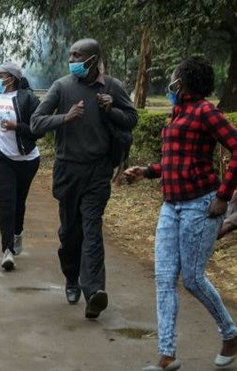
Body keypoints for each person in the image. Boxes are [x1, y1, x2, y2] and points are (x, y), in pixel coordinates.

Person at [124, 56, 237, 371]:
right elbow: (177, 161)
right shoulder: (178, 114)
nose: (171, 82)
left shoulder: (206, 112)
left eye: (174, 77)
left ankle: (230, 333)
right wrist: (147, 171)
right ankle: (167, 356)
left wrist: (223, 197)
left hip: (201, 205)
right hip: (171, 205)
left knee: (193, 279)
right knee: (163, 278)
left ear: (182, 81)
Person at [30, 38, 137, 319]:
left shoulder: (112, 87)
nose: (72, 60)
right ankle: (71, 278)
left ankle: (95, 293)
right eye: (70, 55)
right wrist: (65, 118)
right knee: (70, 233)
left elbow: (131, 119)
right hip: (68, 170)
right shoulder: (62, 86)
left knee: (92, 230)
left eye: (78, 55)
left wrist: (111, 109)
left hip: (98, 171)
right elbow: (36, 122)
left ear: (93, 59)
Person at [0, 64, 41, 271]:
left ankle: (18, 233)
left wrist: (17, 127)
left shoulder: (28, 99)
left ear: (11, 78)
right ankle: (7, 250)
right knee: (7, 203)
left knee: (19, 202)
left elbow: (38, 129)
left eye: (0, 75)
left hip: (26, 160)